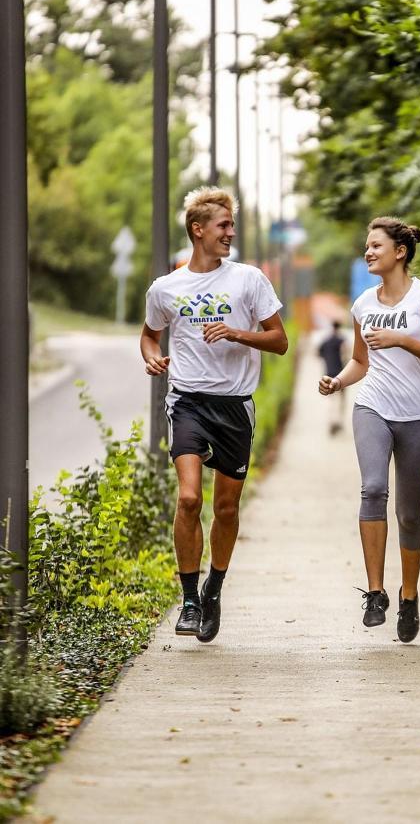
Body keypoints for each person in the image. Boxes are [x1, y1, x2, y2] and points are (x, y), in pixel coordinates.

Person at [141, 187, 287, 643]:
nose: (231, 232)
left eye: (231, 225)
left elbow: (279, 341)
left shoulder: (248, 280)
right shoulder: (166, 288)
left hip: (235, 406)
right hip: (187, 401)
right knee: (189, 499)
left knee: (225, 507)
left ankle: (215, 588)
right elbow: (149, 334)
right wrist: (151, 357)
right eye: (223, 226)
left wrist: (239, 334)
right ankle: (188, 600)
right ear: (197, 230)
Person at [318, 217, 420, 643]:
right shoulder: (363, 304)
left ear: (400, 252)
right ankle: (376, 593)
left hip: (419, 415)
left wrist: (402, 341)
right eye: (366, 246)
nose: (368, 251)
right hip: (373, 406)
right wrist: (339, 381)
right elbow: (361, 361)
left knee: (410, 514)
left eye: (376, 245)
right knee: (373, 489)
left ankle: (409, 595)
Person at [317, 321, 347, 435]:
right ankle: (338, 421)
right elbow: (346, 354)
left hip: (328, 373)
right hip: (341, 374)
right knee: (341, 399)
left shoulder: (325, 342)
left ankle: (331, 421)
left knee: (330, 399)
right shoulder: (341, 340)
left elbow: (318, 353)